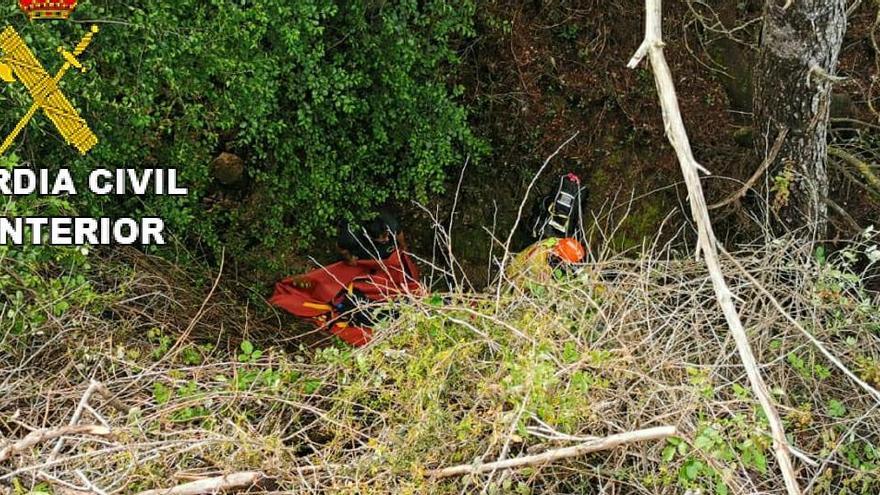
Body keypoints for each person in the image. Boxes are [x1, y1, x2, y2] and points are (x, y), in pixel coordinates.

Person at [507, 236, 586, 286]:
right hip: (515, 277)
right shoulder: (538, 259)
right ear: (557, 254)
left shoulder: (559, 243)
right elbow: (544, 283)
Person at [336, 210, 407, 266]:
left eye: (387, 235)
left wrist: (403, 245)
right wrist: (350, 259)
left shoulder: (390, 223)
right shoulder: (350, 238)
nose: (387, 239)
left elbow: (398, 232)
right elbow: (340, 248)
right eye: (383, 239)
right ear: (369, 236)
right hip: (359, 238)